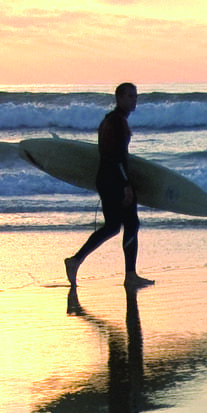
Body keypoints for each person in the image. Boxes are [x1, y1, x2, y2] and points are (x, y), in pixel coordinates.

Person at [65, 82, 143, 287]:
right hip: (115, 180)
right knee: (131, 224)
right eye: (129, 96)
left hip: (106, 179)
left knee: (112, 227)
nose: (133, 100)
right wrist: (126, 185)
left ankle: (75, 261)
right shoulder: (117, 122)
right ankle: (130, 276)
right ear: (118, 98)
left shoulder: (110, 120)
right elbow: (116, 156)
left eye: (135, 96)